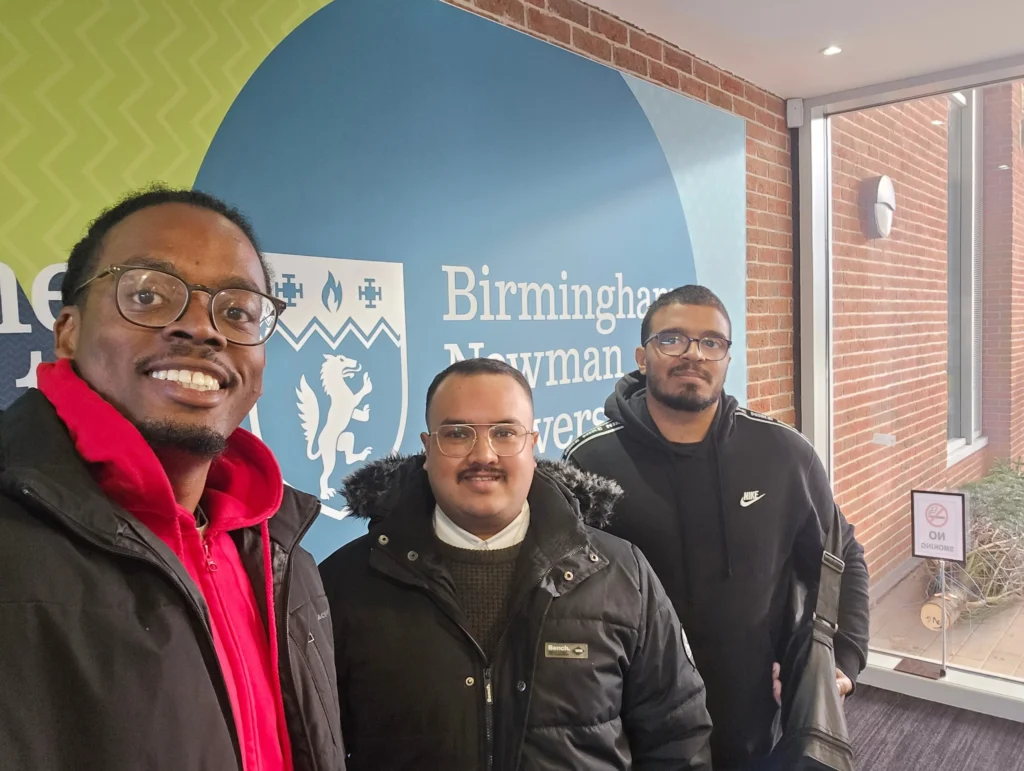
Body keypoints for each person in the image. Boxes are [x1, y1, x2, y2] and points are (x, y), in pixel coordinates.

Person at [0, 188, 344, 771]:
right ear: (66, 332)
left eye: (236, 311)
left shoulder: (286, 556)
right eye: (149, 296)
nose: (203, 330)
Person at [319, 358, 712, 771]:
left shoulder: (621, 573)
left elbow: (677, 738)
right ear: (428, 447)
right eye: (457, 434)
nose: (483, 455)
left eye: (505, 433)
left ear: (533, 444)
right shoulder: (344, 585)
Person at [564, 285, 870, 771]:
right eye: (673, 340)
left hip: (753, 721)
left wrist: (843, 660)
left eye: (712, 342)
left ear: (727, 358)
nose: (693, 354)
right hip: (632, 727)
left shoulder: (783, 454)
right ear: (643, 357)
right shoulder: (591, 463)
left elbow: (842, 555)